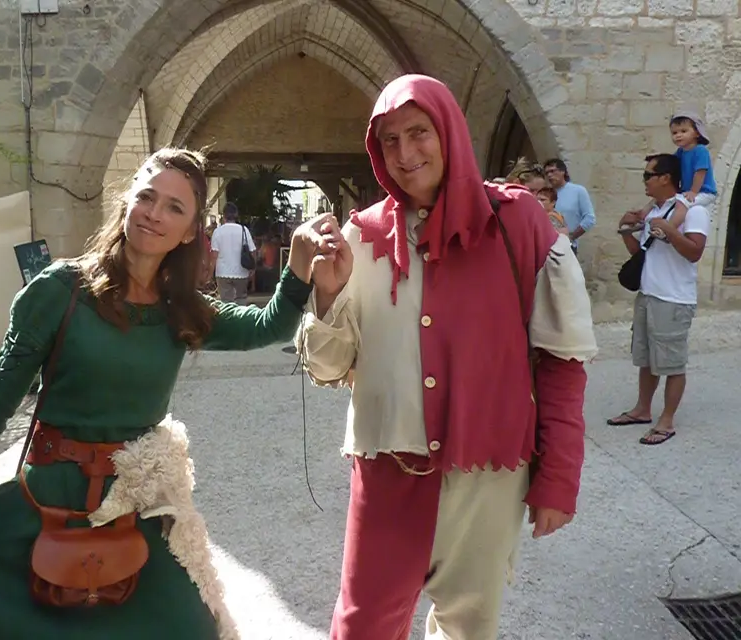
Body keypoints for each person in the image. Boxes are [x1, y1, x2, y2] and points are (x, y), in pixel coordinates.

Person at [0, 147, 338, 640]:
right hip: (45, 501)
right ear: (128, 202)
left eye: (175, 208)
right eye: (147, 197)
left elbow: (267, 327)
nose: (155, 213)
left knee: (190, 627)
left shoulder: (180, 309)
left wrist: (300, 266)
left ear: (189, 233)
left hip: (133, 507)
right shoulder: (59, 290)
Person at [295, 74, 598, 640]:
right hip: (388, 471)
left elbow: (562, 363)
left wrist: (558, 477)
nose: (406, 155)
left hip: (487, 477)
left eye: (419, 132)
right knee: (362, 626)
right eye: (389, 140)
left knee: (467, 627)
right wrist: (329, 296)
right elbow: (329, 370)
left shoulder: (519, 224)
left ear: (450, 132)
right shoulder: (361, 237)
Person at [607, 154, 709, 445]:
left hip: (674, 298)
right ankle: (642, 409)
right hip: (648, 294)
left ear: (665, 177)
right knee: (647, 359)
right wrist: (626, 229)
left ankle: (667, 420)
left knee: (672, 363)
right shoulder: (654, 211)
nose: (645, 182)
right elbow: (643, 255)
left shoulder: (692, 211)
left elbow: (694, 252)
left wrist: (670, 231)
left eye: (648, 176)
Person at [621, 111, 717, 240]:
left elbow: (700, 172)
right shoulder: (681, 152)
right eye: (675, 133)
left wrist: (693, 192)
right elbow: (672, 164)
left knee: (682, 203)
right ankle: (642, 218)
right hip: (687, 191)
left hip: (703, 191)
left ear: (696, 133)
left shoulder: (700, 151)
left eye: (683, 131)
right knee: (657, 200)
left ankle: (668, 230)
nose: (678, 135)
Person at [543, 157, 596, 253]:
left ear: (563, 171)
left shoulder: (578, 191)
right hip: (545, 246)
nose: (549, 175)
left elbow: (589, 218)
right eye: (547, 173)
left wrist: (571, 236)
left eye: (552, 171)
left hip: (568, 247)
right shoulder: (545, 193)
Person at [210, 202, 256, 303]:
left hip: (222, 273)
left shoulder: (218, 232)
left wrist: (210, 272)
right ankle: (240, 318)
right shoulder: (244, 230)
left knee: (226, 302)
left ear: (223, 215)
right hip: (242, 271)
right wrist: (252, 268)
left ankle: (228, 318)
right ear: (236, 215)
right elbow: (252, 250)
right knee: (241, 299)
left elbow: (214, 255)